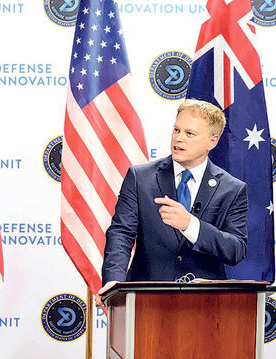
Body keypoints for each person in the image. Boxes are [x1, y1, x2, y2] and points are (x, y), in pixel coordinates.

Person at [99, 99, 248, 295]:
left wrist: (191, 225)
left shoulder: (232, 189)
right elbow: (121, 234)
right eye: (176, 130)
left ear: (212, 141)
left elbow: (235, 249)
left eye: (189, 134)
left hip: (206, 301)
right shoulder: (140, 178)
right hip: (146, 297)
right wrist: (113, 283)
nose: (179, 138)